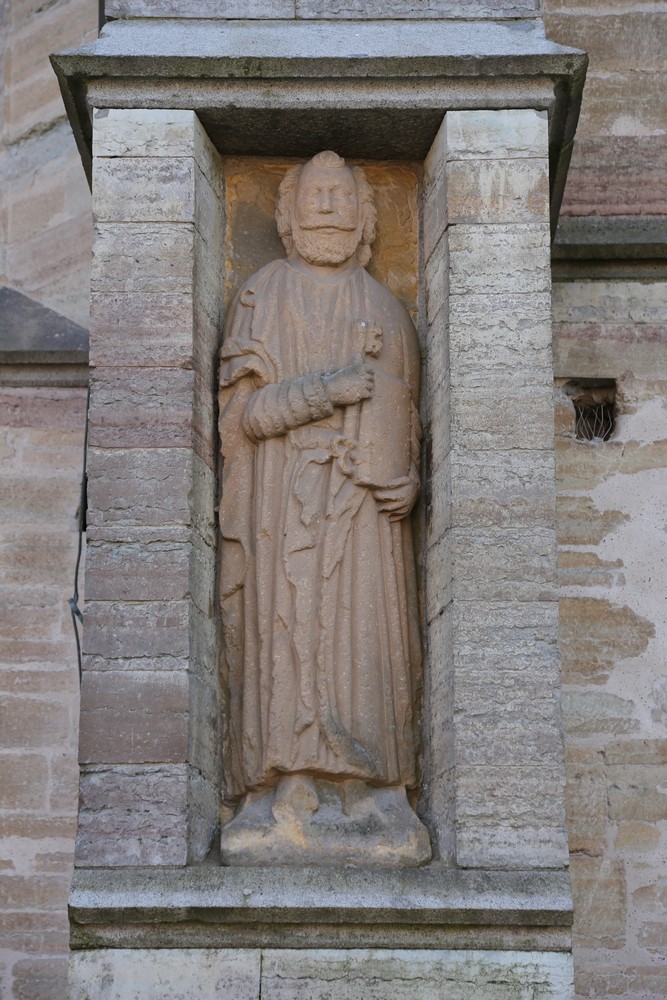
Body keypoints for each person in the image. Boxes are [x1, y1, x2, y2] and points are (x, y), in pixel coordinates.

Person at [218, 151, 430, 865]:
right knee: (287, 632)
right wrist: (325, 392)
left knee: (365, 638)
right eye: (316, 194)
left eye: (343, 195)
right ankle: (287, 788)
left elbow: (407, 420)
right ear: (288, 213)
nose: (330, 207)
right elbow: (244, 417)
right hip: (281, 503)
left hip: (365, 518)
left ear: (365, 216)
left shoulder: (385, 306)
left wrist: (408, 481)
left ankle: (373, 792)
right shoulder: (262, 296)